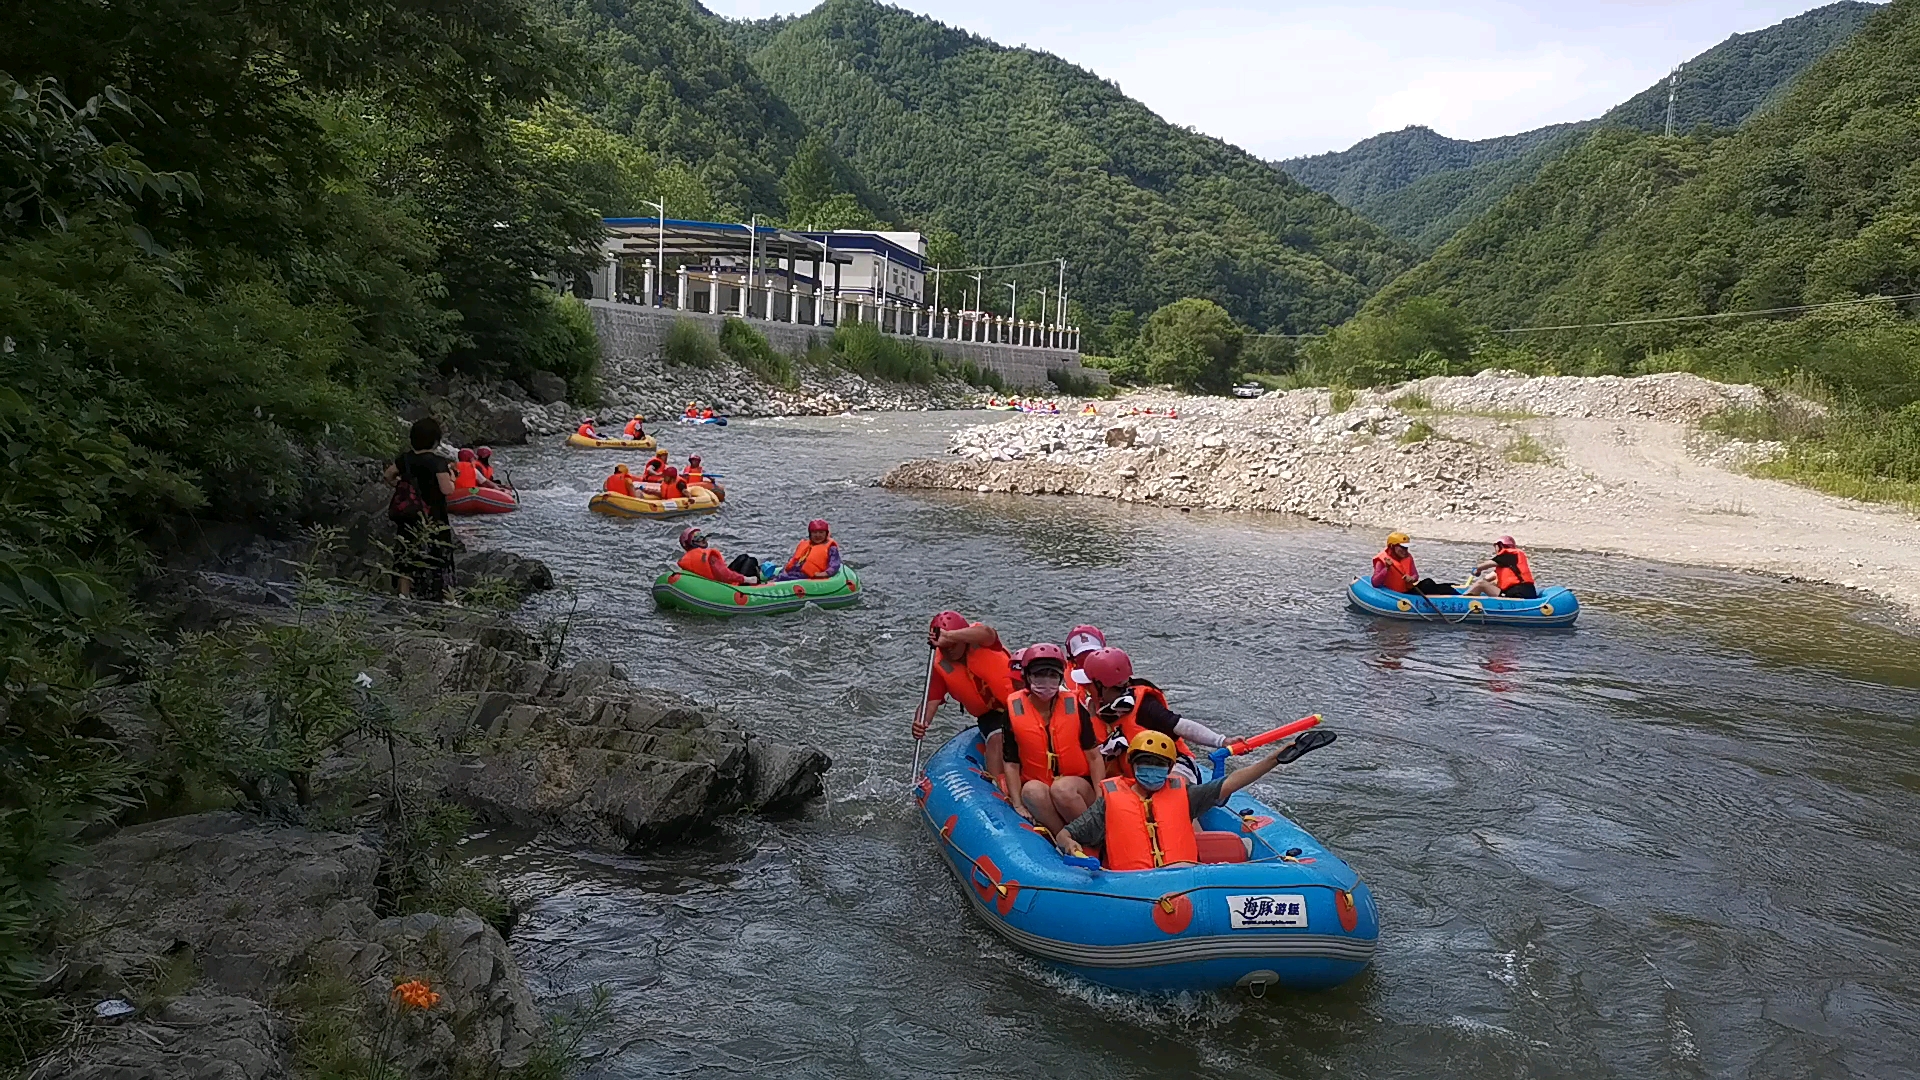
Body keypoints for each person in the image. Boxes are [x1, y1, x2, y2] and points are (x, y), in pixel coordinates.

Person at [1052, 729, 1335, 869]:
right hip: (1132, 887)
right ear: (1133, 766)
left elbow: (1233, 781)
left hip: (1184, 878)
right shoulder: (1109, 803)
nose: (1152, 771)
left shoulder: (1185, 796)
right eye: (1145, 764)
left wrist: (1276, 758)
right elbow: (1066, 834)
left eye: (1159, 765)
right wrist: (1070, 845)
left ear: (1169, 768)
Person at [1074, 647, 1241, 783]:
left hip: (1174, 765)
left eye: (1089, 685)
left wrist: (1222, 741)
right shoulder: (1092, 708)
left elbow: (1182, 726)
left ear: (1104, 686)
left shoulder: (1145, 706)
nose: (1086, 689)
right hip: (1135, 774)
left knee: (1169, 788)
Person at [1002, 643, 1103, 834]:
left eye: (1052, 676)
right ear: (1028, 677)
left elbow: (1094, 756)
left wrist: (1099, 797)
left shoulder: (1074, 706)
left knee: (1062, 788)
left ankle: (1092, 836)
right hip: (1041, 784)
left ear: (1059, 678)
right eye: (1040, 675)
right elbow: (1011, 762)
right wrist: (1017, 804)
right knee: (1031, 791)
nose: (1046, 682)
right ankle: (1061, 838)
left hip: (1077, 787)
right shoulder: (1013, 710)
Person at [914, 612, 1018, 788]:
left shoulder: (982, 641)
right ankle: (1000, 787)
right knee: (996, 740)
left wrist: (948, 636)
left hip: (1019, 703)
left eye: (952, 645)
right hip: (991, 715)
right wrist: (920, 722)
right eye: (944, 647)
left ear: (962, 638)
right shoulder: (941, 666)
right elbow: (930, 702)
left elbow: (987, 632)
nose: (948, 650)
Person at [385, 417, 457, 601]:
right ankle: (448, 598)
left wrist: (399, 484)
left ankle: (403, 593)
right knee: (441, 555)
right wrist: (453, 478)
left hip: (409, 514)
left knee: (406, 551)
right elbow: (446, 489)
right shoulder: (438, 462)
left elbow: (389, 475)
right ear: (435, 440)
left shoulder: (405, 459)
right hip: (434, 515)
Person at [1372, 531, 1456, 596]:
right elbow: (1375, 582)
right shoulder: (1382, 560)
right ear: (1392, 546)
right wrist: (1386, 568)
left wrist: (1411, 578)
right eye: (1402, 547)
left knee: (1428, 583)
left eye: (1406, 547)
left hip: (1408, 591)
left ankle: (1460, 596)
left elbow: (1415, 575)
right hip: (1394, 594)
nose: (1405, 550)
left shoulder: (1408, 557)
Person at [677, 526, 762, 584]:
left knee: (743, 558)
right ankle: (757, 582)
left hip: (711, 584)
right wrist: (746, 579)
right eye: (697, 537)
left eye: (702, 536)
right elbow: (725, 574)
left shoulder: (687, 559)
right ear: (690, 543)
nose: (703, 539)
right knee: (750, 561)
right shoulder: (709, 557)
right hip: (725, 587)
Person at [1467, 535, 1537, 599]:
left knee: (1481, 584)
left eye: (1496, 546)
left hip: (1518, 594)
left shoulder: (1507, 555)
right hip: (1527, 592)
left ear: (1500, 545)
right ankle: (1467, 595)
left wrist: (1478, 569)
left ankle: (1461, 600)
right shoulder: (1511, 562)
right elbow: (1488, 578)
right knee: (1490, 583)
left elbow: (1487, 564)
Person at [775, 519, 840, 580]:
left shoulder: (831, 548)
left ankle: (773, 583)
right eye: (814, 532)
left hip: (810, 575)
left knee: (783, 577)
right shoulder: (806, 545)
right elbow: (795, 560)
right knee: (781, 574)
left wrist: (826, 573)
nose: (817, 535)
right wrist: (786, 569)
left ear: (826, 534)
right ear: (810, 534)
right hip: (797, 571)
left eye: (821, 532)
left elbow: (834, 564)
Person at [1064, 624, 1106, 706]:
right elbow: (1069, 711)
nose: (1087, 660)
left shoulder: (1114, 671)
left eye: (1092, 654)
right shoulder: (1063, 680)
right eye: (1081, 658)